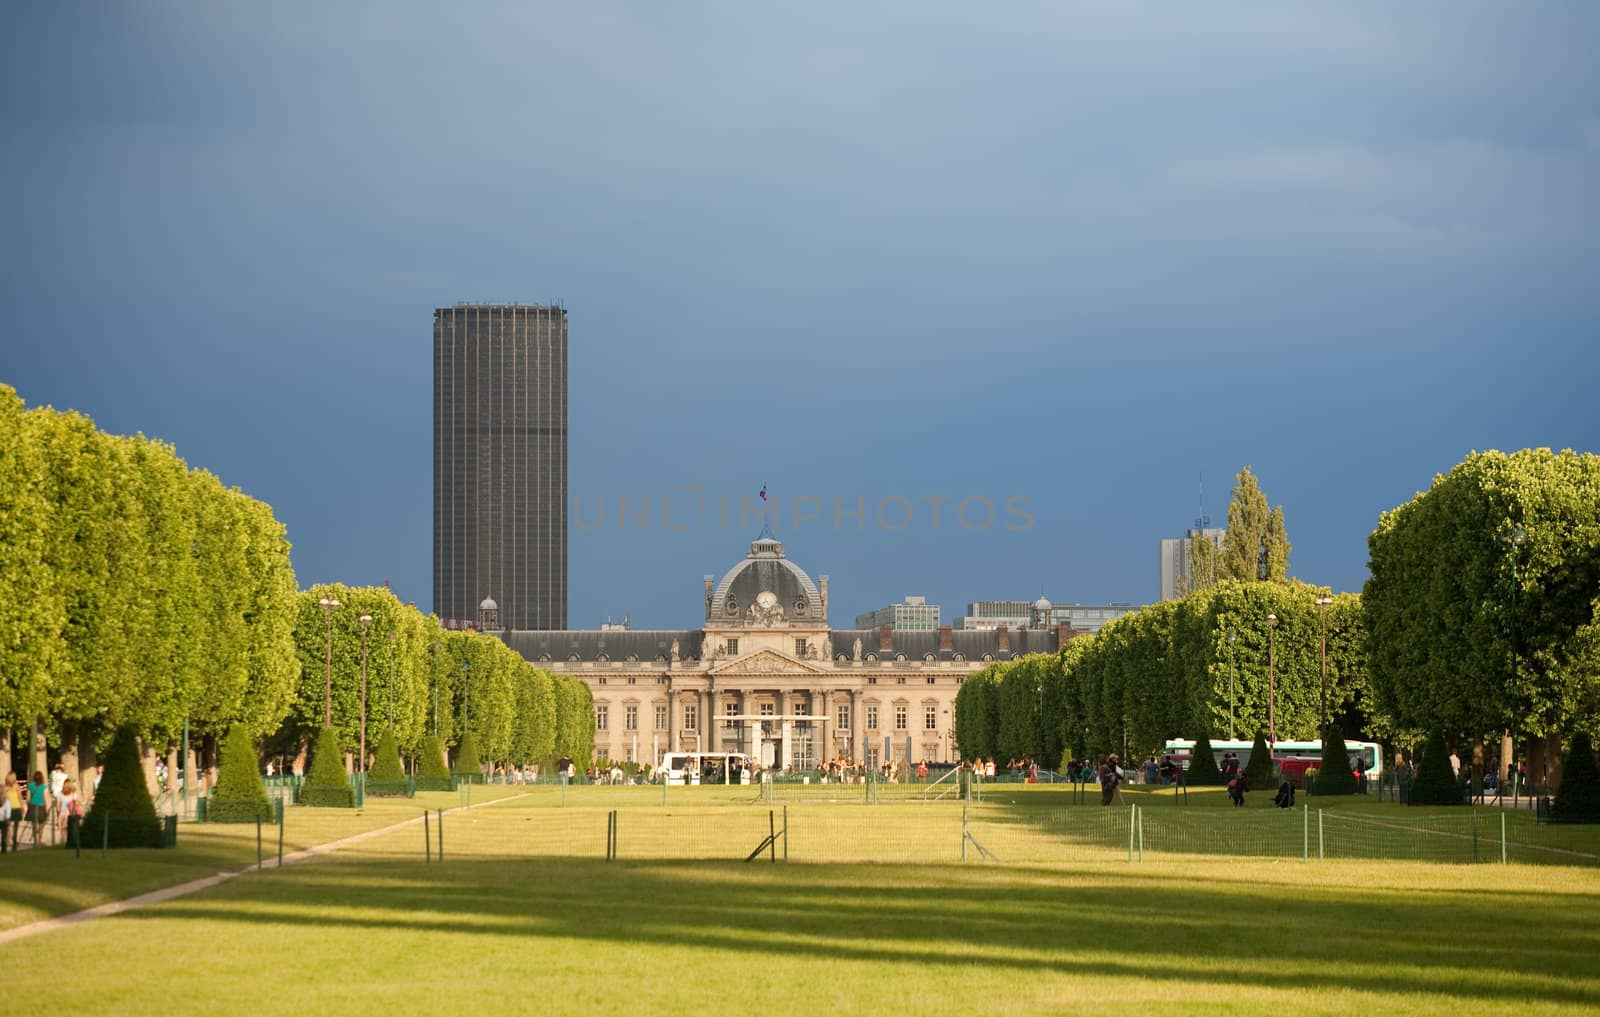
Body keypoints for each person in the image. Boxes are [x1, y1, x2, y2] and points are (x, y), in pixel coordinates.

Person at [26, 771, 49, 845]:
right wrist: (47, 808)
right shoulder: (44, 787)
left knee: (33, 823)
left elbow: (28, 798)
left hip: (32, 806)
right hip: (41, 806)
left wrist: (28, 806)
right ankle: (39, 839)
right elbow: (46, 799)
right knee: (42, 823)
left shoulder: (30, 786)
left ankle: (35, 840)